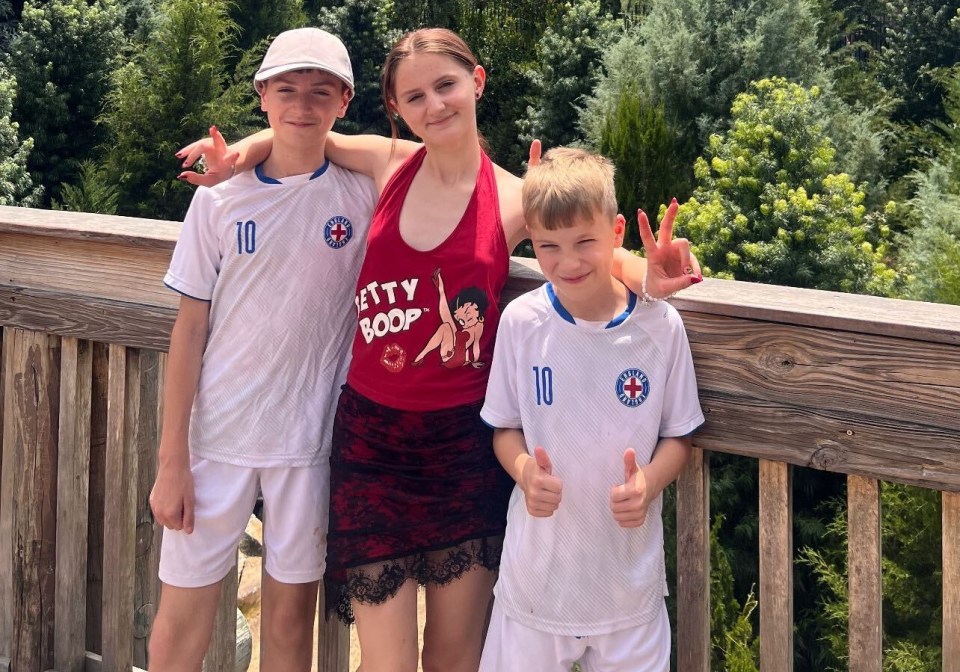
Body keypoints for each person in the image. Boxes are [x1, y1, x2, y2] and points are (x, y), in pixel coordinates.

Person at [177, 27, 702, 672]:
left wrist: (649, 274)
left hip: (463, 446)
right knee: (388, 662)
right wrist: (238, 157)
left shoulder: (514, 196)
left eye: (446, 86)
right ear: (397, 109)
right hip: (372, 440)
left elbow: (583, 245)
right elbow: (307, 136)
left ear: (476, 82)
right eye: (415, 96)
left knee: (453, 658)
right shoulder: (387, 163)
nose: (436, 105)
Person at [147, 28, 377, 672]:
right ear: (261, 97)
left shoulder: (361, 194)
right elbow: (189, 329)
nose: (301, 105)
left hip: (307, 442)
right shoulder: (219, 199)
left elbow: (439, 167)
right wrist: (172, 461)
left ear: (344, 101)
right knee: (184, 608)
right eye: (286, 90)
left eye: (319, 92)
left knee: (288, 619)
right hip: (214, 438)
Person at [478, 147, 705, 672]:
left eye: (585, 242)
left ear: (617, 231)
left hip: (628, 586)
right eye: (549, 246)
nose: (568, 261)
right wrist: (524, 471)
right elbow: (503, 429)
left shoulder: (660, 327)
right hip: (535, 582)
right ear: (531, 241)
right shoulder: (520, 323)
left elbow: (679, 438)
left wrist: (648, 484)